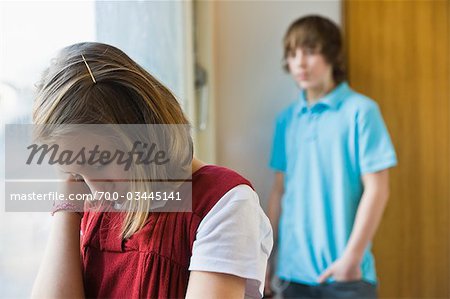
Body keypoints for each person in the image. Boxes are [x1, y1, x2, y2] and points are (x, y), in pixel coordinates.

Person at [30, 42, 273, 298]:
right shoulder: (92, 201)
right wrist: (68, 206)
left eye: (100, 162)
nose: (95, 188)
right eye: (76, 172)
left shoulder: (224, 203)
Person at [265, 15, 397, 299]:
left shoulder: (361, 111)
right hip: (292, 274)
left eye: (310, 51)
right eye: (292, 53)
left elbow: (378, 189)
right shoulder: (286, 120)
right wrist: (268, 257)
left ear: (332, 55)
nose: (299, 62)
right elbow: (279, 191)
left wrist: (351, 258)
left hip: (347, 275)